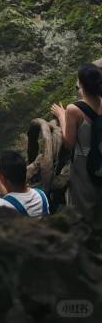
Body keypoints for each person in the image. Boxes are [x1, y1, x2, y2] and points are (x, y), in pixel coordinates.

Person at [52, 61, 102, 213]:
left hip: (84, 161)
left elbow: (69, 143)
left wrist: (62, 116)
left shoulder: (74, 109)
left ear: (80, 83)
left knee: (83, 201)